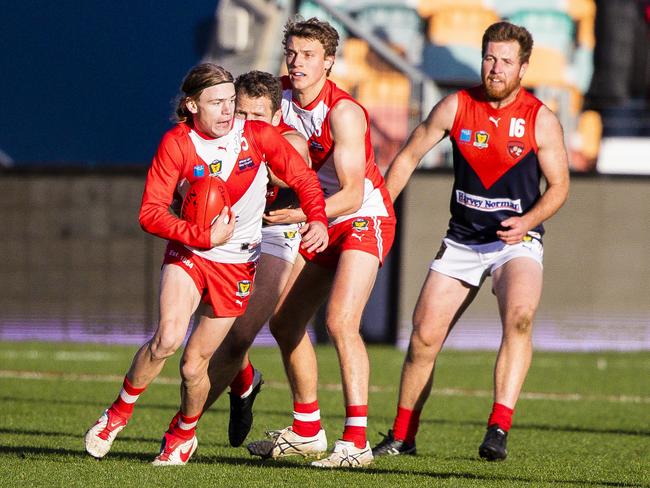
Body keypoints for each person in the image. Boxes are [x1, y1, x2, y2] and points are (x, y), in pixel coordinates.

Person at [83, 63, 328, 466]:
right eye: (216, 102)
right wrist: (202, 237)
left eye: (231, 101)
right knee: (167, 337)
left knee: (194, 364)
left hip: (238, 263)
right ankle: (117, 415)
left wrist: (316, 217)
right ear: (192, 105)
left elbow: (304, 179)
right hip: (191, 253)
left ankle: (183, 432)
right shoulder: (177, 144)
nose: (228, 110)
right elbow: (150, 213)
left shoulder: (258, 136)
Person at [371, 21, 570, 461]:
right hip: (462, 241)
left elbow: (558, 187)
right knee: (423, 338)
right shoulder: (456, 106)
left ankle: (498, 427)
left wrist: (528, 221)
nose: (495, 68)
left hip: (516, 242)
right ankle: (403, 437)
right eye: (489, 58)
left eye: (505, 61)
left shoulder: (540, 119)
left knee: (519, 316)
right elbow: (407, 156)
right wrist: (378, 210)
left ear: (523, 68)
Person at [245, 17, 396, 468]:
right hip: (320, 217)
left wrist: (301, 212)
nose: (297, 62)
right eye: (292, 52)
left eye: (308, 55)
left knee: (340, 322)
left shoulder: (343, 111)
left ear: (329, 62)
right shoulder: (279, 100)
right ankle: (307, 429)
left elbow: (351, 193)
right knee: (285, 322)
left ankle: (356, 442)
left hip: (361, 216)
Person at [200, 70, 311, 448]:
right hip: (229, 233)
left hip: (276, 234)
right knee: (213, 335)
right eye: (240, 114)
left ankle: (180, 431)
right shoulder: (223, 136)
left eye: (257, 117)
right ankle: (245, 381)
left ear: (277, 118)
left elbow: (287, 172)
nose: (246, 123)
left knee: (240, 335)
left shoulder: (290, 139)